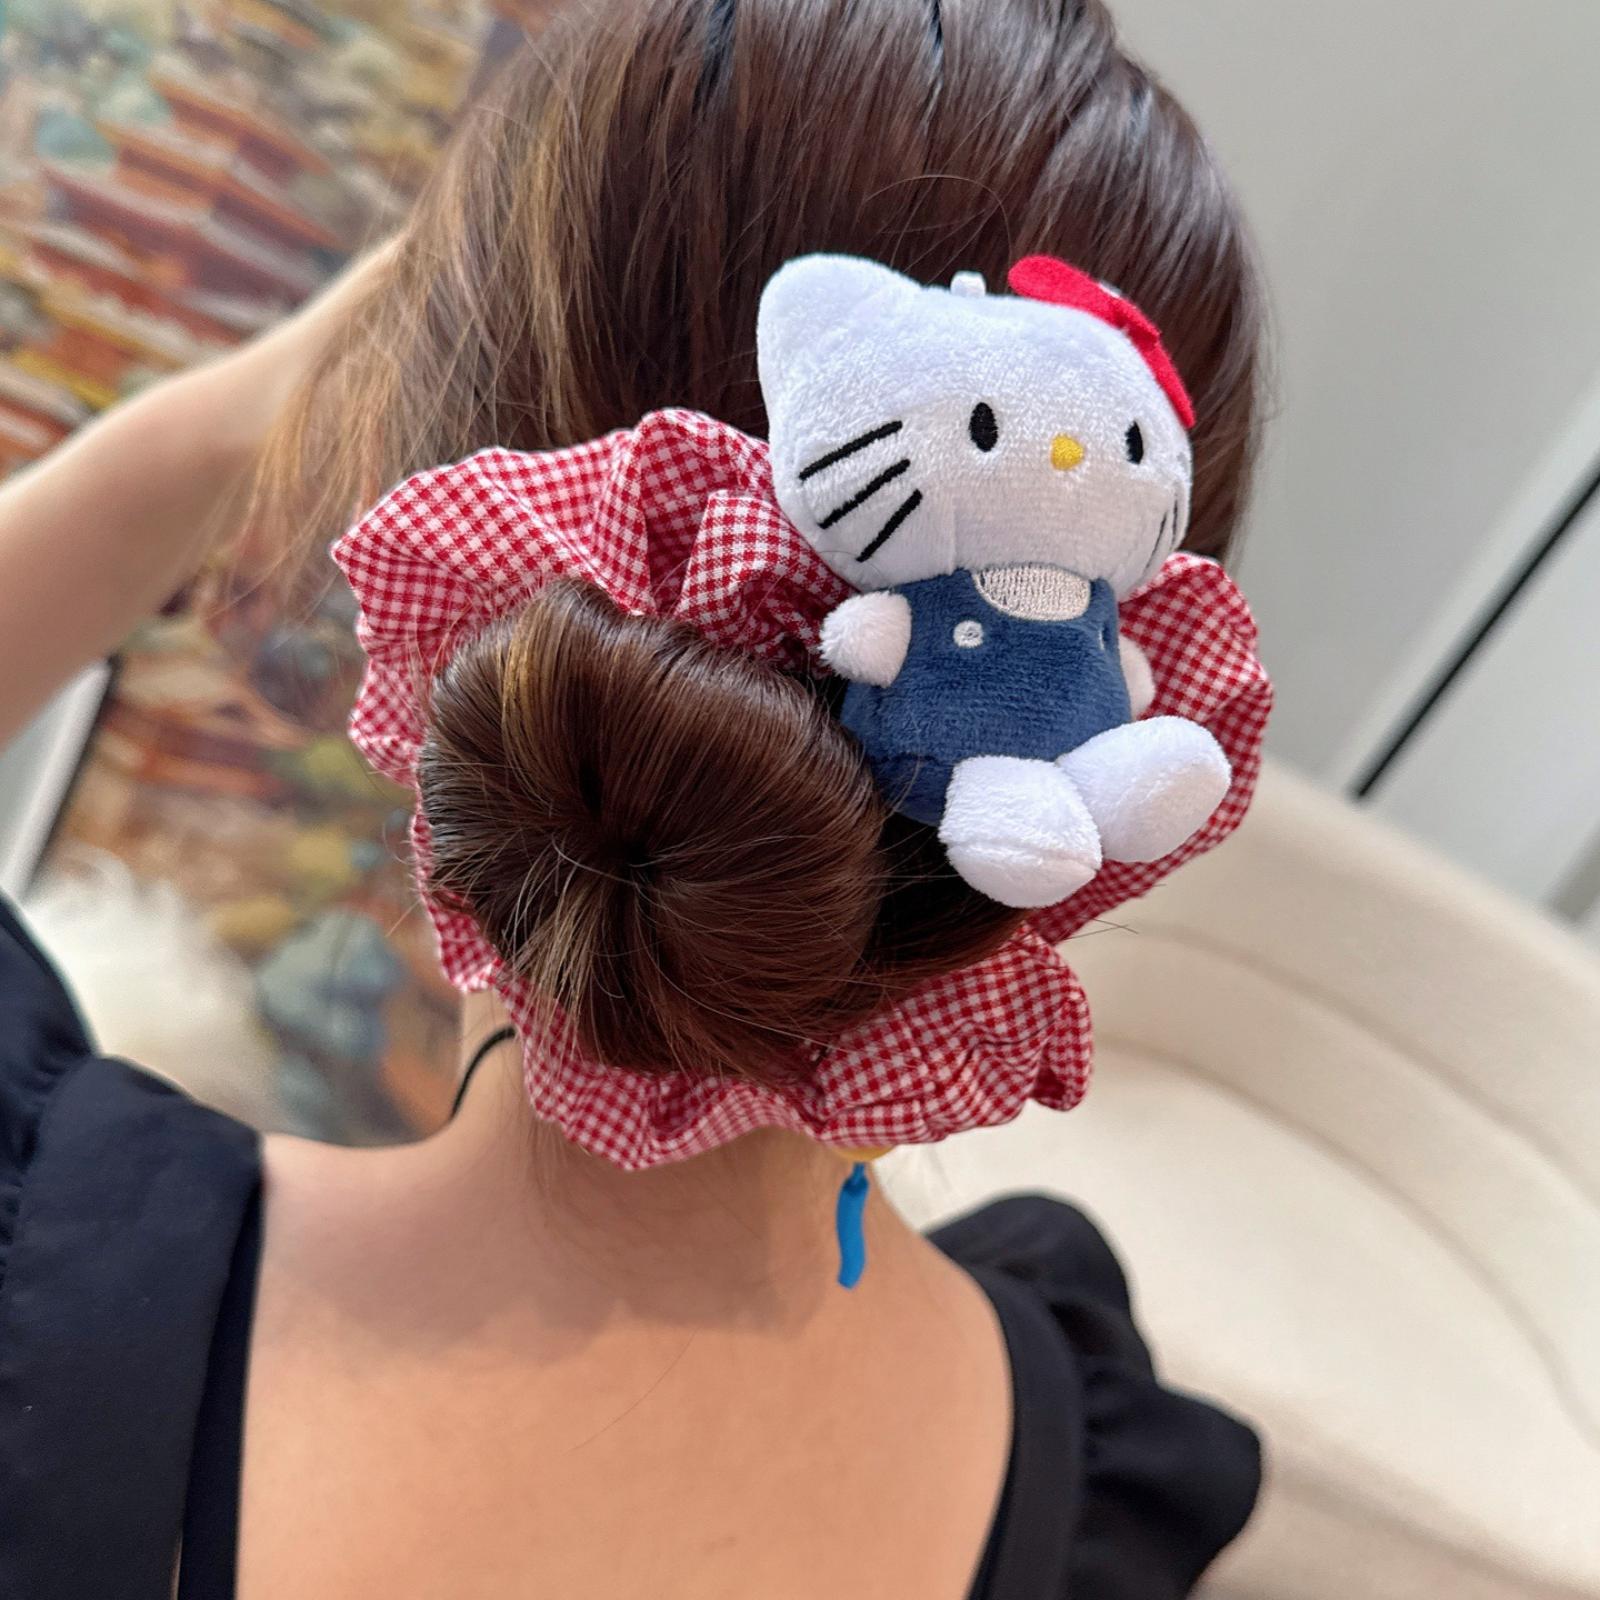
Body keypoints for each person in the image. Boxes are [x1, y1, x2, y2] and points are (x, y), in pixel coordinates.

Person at [0, 3, 1269, 1596]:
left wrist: (202, 444)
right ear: (1129, 680)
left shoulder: (53, 1294)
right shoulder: (1077, 1465)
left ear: (439, 532)